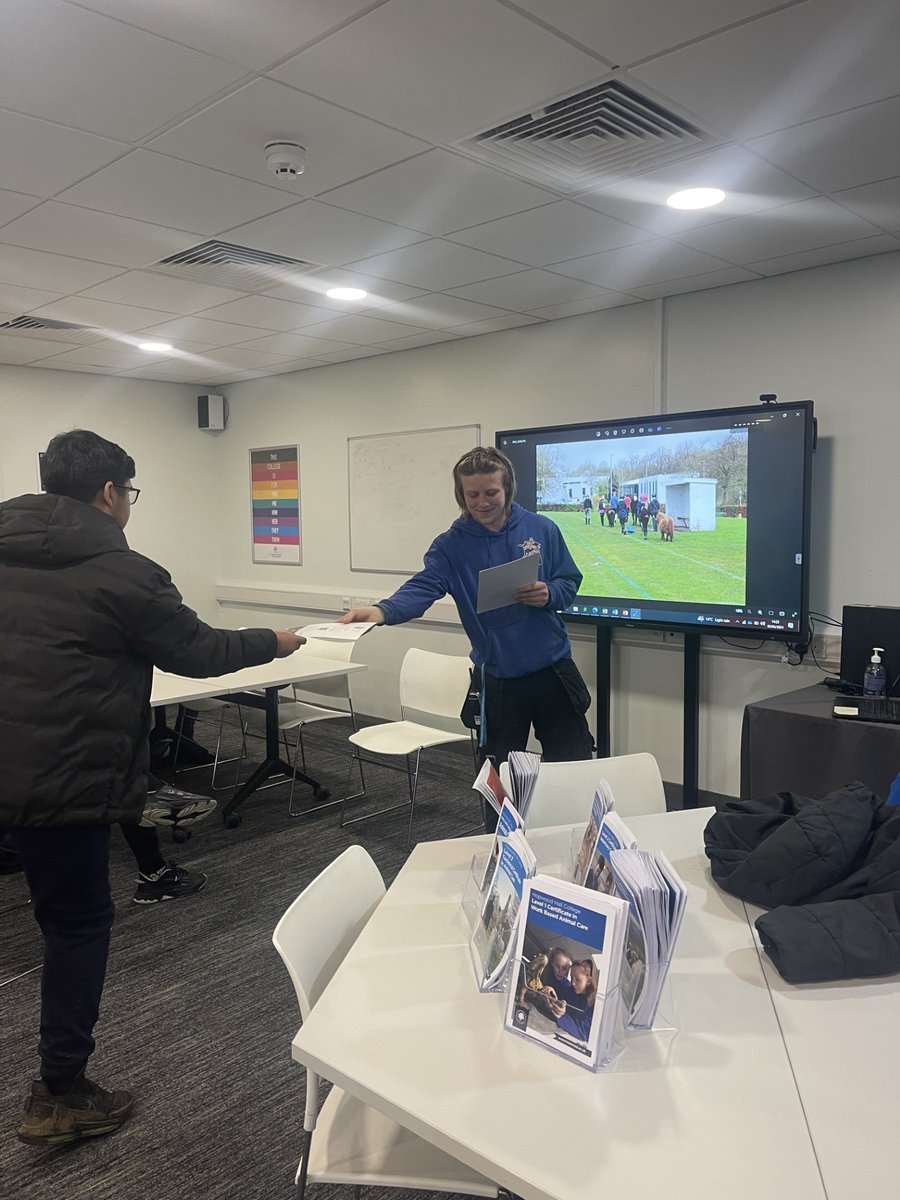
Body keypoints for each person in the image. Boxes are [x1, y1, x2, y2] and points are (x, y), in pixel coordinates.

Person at [0, 429, 305, 1147]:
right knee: (75, 927)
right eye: (130, 493)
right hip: (64, 776)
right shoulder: (123, 569)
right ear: (110, 493)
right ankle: (62, 1092)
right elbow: (199, 652)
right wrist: (274, 638)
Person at [339, 446, 593, 831]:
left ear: (507, 488)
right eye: (472, 494)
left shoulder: (542, 529)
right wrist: (382, 611)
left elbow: (569, 581)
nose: (482, 502)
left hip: (553, 671)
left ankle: (575, 840)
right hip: (500, 680)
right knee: (500, 777)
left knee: (572, 765)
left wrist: (549, 594)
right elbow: (423, 587)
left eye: (490, 492)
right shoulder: (451, 545)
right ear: (461, 495)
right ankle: (501, 847)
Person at [549, 958, 596, 1041]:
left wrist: (561, 1017)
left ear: (588, 980)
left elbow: (584, 1033)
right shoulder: (570, 988)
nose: (573, 983)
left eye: (577, 979)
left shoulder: (593, 1006)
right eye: (571, 977)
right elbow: (561, 983)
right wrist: (550, 990)